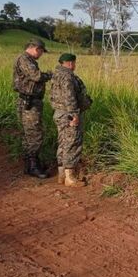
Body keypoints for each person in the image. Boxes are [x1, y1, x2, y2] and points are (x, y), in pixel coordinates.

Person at [50, 53, 92, 187]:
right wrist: (74, 115)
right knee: (72, 143)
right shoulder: (67, 76)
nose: (74, 65)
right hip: (68, 113)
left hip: (59, 113)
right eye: (74, 63)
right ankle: (70, 177)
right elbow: (69, 97)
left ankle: (62, 175)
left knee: (63, 143)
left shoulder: (56, 75)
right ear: (69, 63)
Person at [13, 38, 52, 178]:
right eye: (41, 51)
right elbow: (36, 76)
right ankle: (33, 166)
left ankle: (31, 164)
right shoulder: (25, 59)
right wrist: (49, 75)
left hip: (30, 101)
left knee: (29, 135)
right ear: (36, 48)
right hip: (29, 103)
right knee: (35, 134)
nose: (41, 54)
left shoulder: (27, 59)